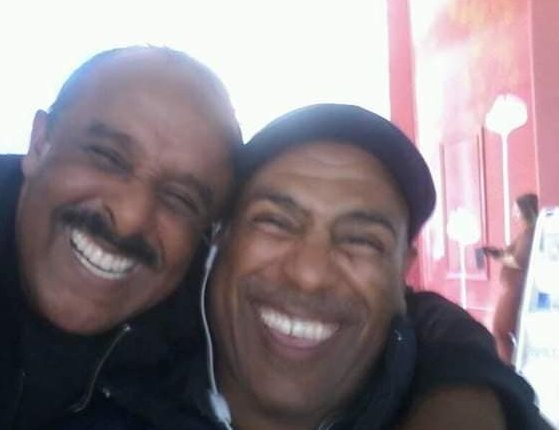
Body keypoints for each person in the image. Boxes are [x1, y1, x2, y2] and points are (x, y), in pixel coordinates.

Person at [0, 47, 536, 429]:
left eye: (179, 197)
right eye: (106, 156)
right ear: (40, 142)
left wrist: (468, 397)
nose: (129, 218)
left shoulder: (171, 304)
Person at [59, 104, 541, 430]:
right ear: (219, 237)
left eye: (361, 240)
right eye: (275, 223)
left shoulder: (468, 397)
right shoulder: (100, 393)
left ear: (401, 272)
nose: (309, 274)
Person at [483, 193, 539, 364]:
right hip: (514, 289)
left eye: (516, 209)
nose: (513, 213)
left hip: (515, 291)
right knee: (509, 332)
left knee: (501, 331)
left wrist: (497, 256)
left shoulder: (529, 233)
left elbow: (519, 261)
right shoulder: (527, 233)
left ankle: (508, 368)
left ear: (523, 211)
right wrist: (498, 253)